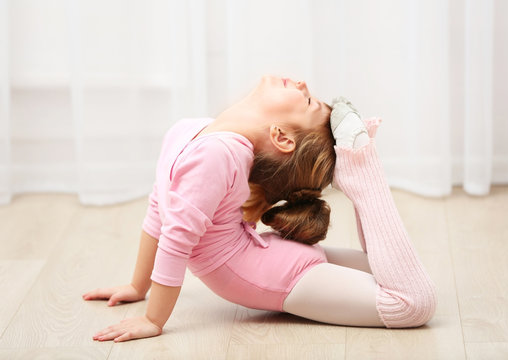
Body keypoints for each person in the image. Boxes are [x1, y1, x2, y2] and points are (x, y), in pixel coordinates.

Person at [83, 75, 437, 342]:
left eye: (308, 100)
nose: (301, 83)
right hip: (270, 268)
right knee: (403, 282)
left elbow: (177, 240)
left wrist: (153, 319)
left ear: (282, 136)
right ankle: (358, 170)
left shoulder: (220, 153)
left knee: (408, 293)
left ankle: (360, 170)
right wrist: (137, 286)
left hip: (276, 269)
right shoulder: (192, 130)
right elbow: (160, 212)